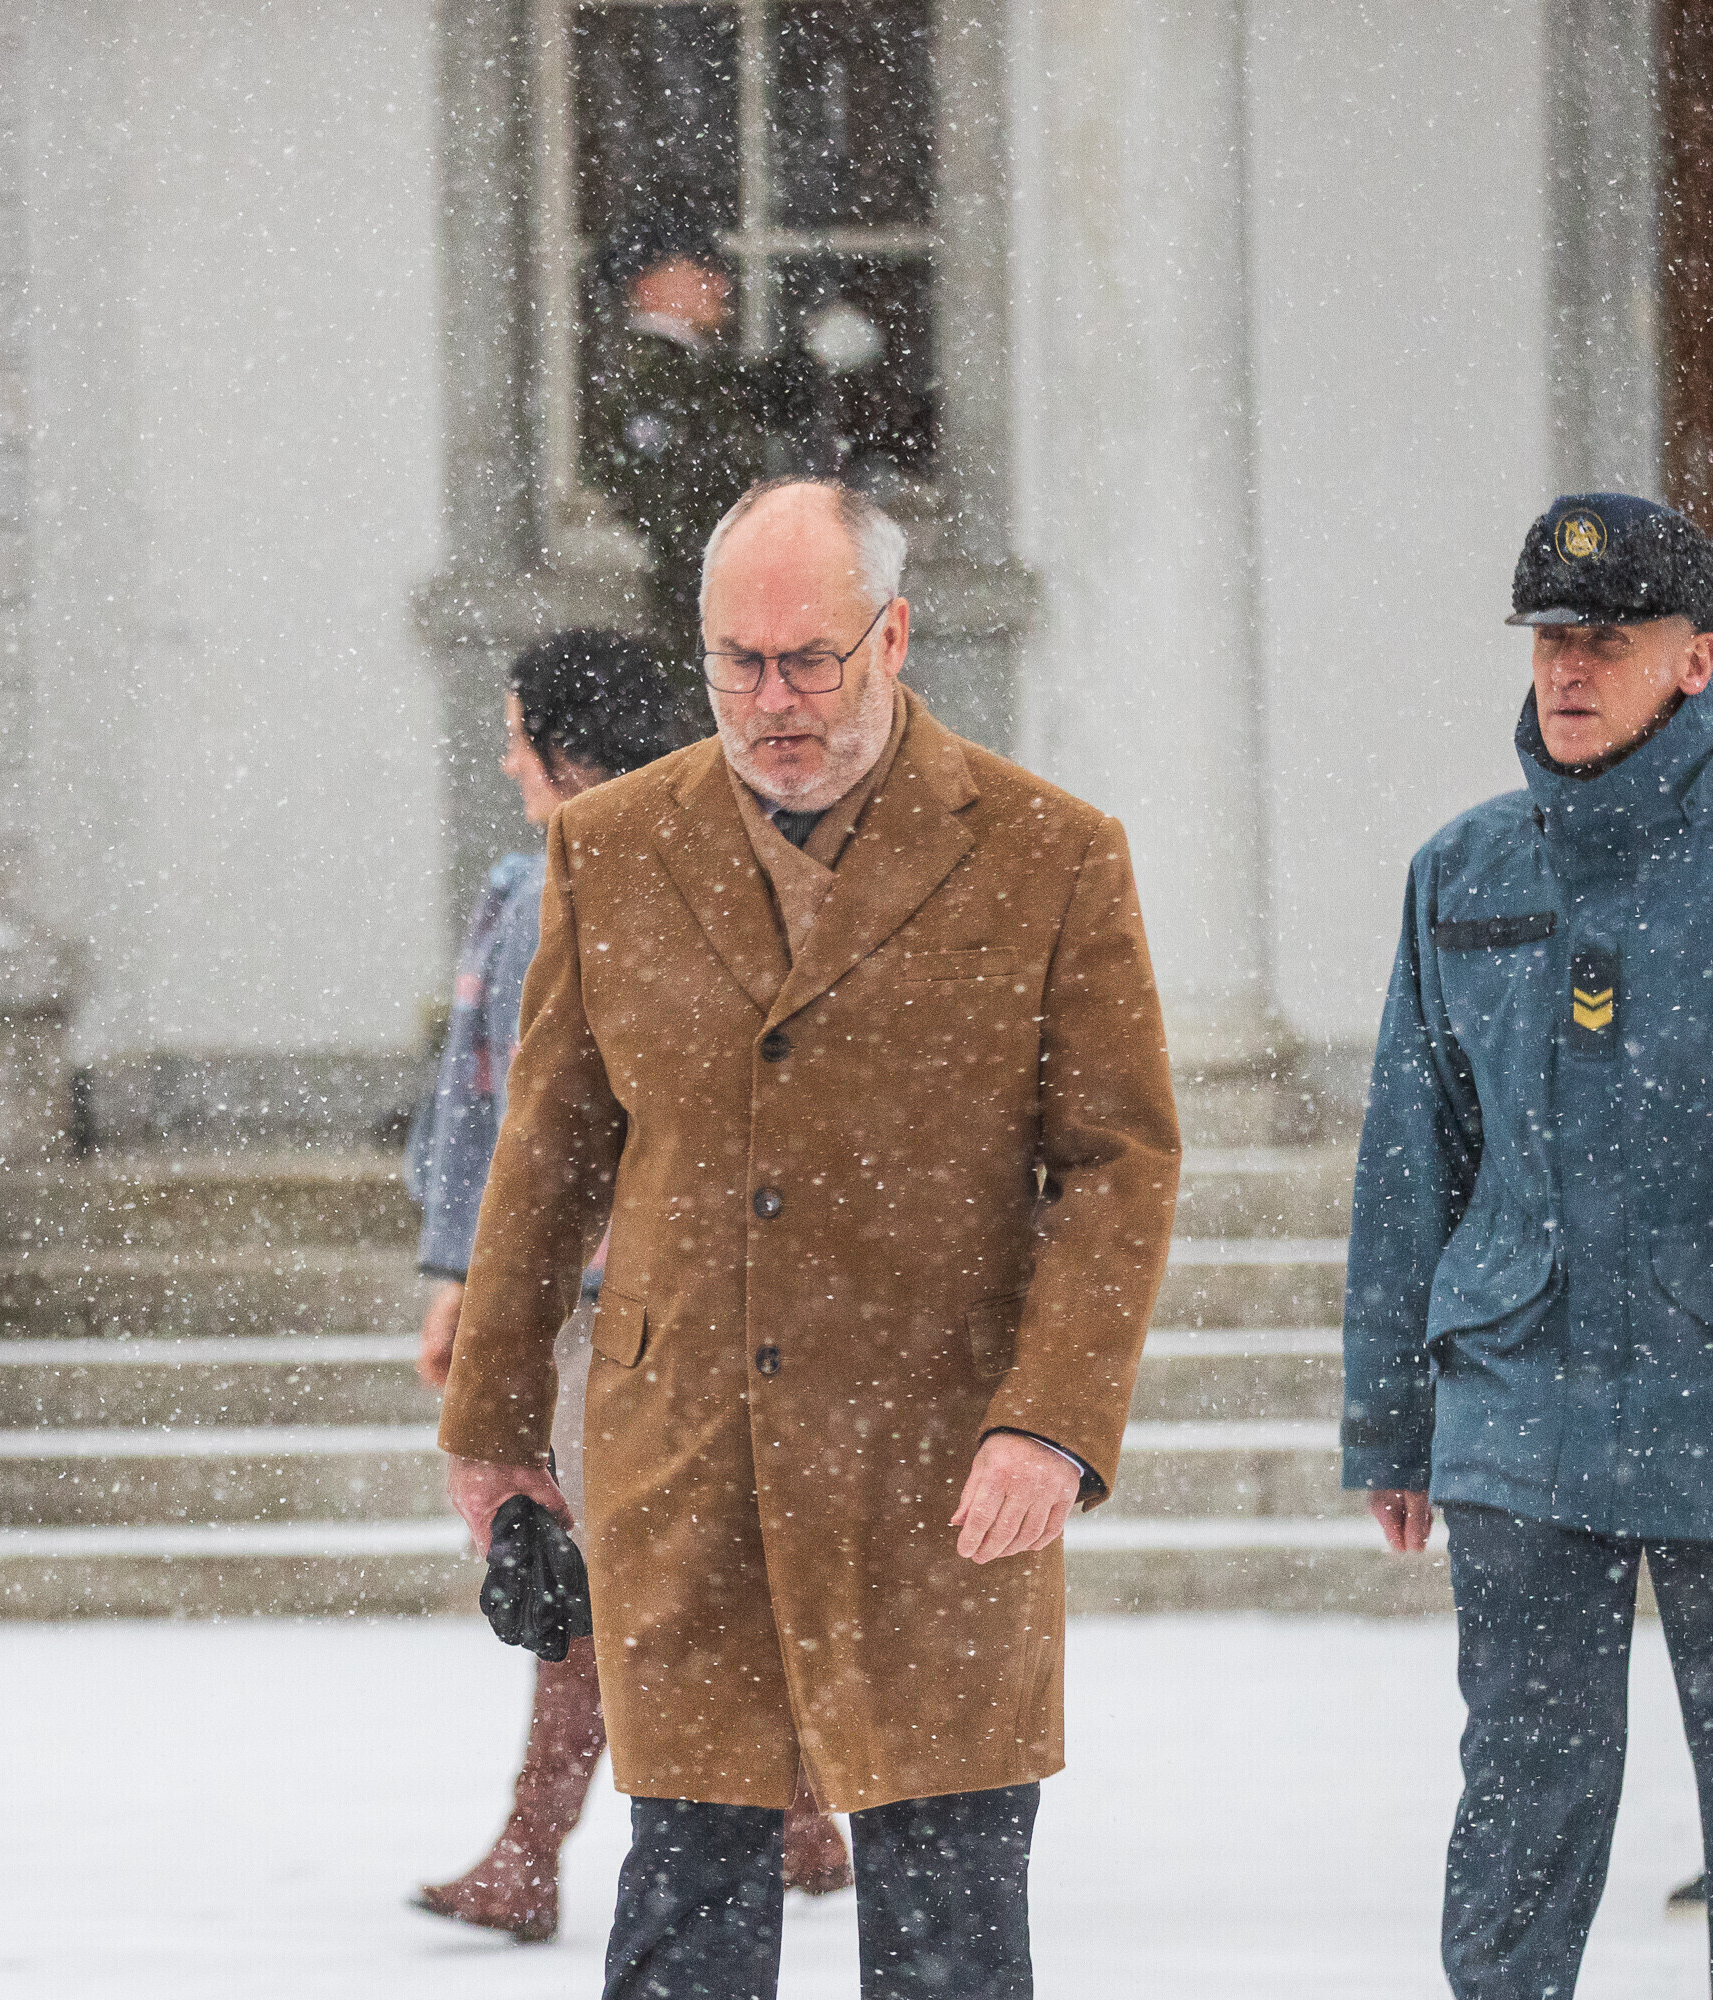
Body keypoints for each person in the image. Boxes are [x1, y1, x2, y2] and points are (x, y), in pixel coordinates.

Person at [437, 476, 1180, 1999]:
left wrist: (1052, 1418)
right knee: (683, 1923)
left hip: (944, 1468)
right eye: (738, 663)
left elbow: (1117, 1166)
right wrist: (495, 1421)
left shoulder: (1049, 853)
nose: (772, 701)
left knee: (949, 1930)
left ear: (893, 639)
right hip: (685, 1457)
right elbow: (551, 1154)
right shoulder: (612, 849)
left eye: (809, 661)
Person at [411, 630, 851, 1941]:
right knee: (651, 1562)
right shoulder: (585, 879)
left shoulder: (628, 879)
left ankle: (533, 1849)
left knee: (586, 1570)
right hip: (627, 1289)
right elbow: (491, 1108)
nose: (506, 762)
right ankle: (798, 1810)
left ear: (565, 750)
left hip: (631, 1295)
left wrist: (473, 1279)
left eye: (517, 738)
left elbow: (521, 1113)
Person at [1344, 492, 1713, 1992]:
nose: (1570, 665)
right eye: (1552, 637)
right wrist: (1392, 1422)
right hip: (1520, 1393)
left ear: (1695, 659)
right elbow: (1409, 1156)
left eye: (1608, 639)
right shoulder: (1466, 871)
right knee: (1521, 1797)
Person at [582, 211, 829, 652]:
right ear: (648, 284)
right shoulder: (656, 378)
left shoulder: (682, 372)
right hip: (701, 620)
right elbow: (679, 509)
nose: (721, 285)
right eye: (700, 270)